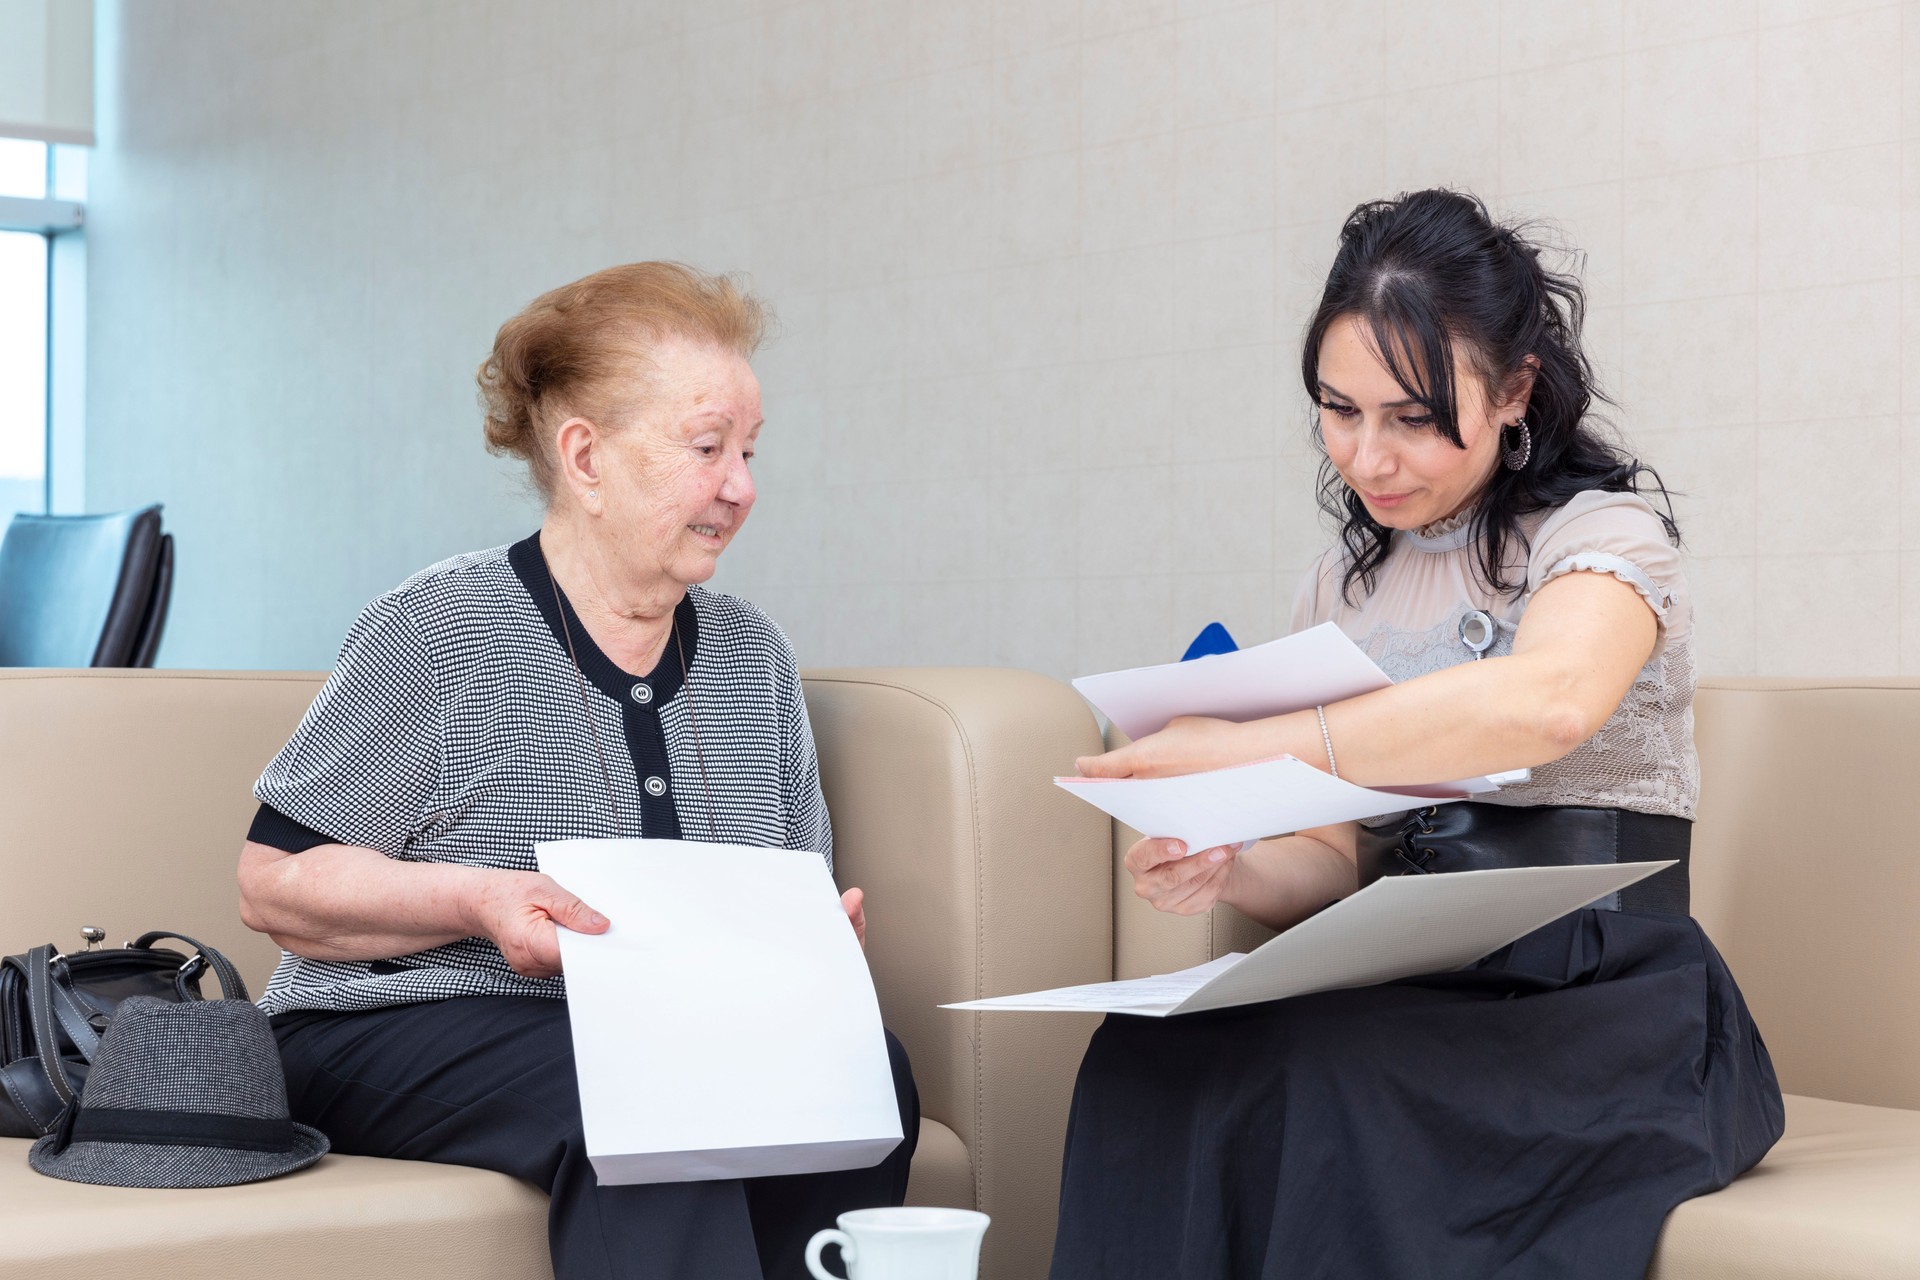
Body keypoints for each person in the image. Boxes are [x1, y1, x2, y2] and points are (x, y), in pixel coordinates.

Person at [1048, 190, 1782, 1279]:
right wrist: (1235, 858)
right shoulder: (1342, 585)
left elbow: (1550, 700)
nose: (1369, 455)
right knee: (1144, 1056)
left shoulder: (1604, 534)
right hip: (1416, 972)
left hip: (1605, 998)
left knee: (1325, 1074)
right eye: (1340, 411)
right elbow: (1335, 861)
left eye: (1412, 416)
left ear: (1515, 388)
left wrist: (1254, 746)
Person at [236, 262, 918, 1280]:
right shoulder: (436, 630)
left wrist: (803, 943)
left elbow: (783, 888)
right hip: (387, 1024)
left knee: (875, 1074)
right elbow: (274, 883)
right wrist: (482, 898)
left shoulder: (750, 654)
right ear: (586, 456)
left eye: (748, 449)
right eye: (706, 447)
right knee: (650, 1083)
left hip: (654, 1025)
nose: (742, 484)